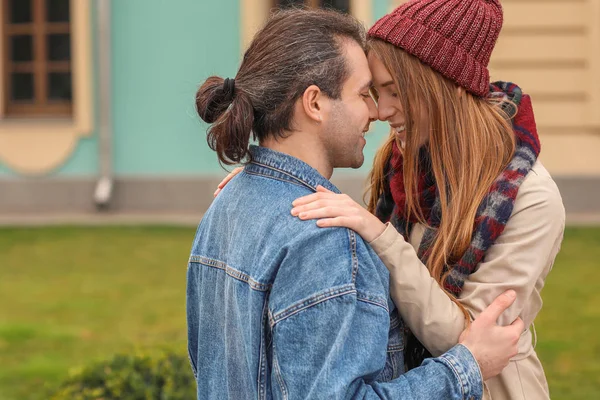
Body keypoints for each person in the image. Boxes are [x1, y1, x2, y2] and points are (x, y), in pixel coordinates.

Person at [191, 7, 524, 400]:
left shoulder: (225, 206)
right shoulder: (323, 239)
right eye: (364, 93)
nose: (376, 113)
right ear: (314, 103)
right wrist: (468, 365)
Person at [281, 1, 565, 399]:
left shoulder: (529, 198)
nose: (380, 111)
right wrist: (275, 178)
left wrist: (381, 237)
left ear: (441, 86)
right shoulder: (402, 163)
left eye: (394, 92)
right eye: (375, 92)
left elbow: (467, 342)